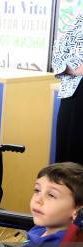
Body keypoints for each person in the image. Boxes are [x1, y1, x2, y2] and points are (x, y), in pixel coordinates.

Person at [52, 13, 83, 165]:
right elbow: (57, 55)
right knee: (68, 158)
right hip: (72, 94)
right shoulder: (78, 20)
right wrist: (75, 70)